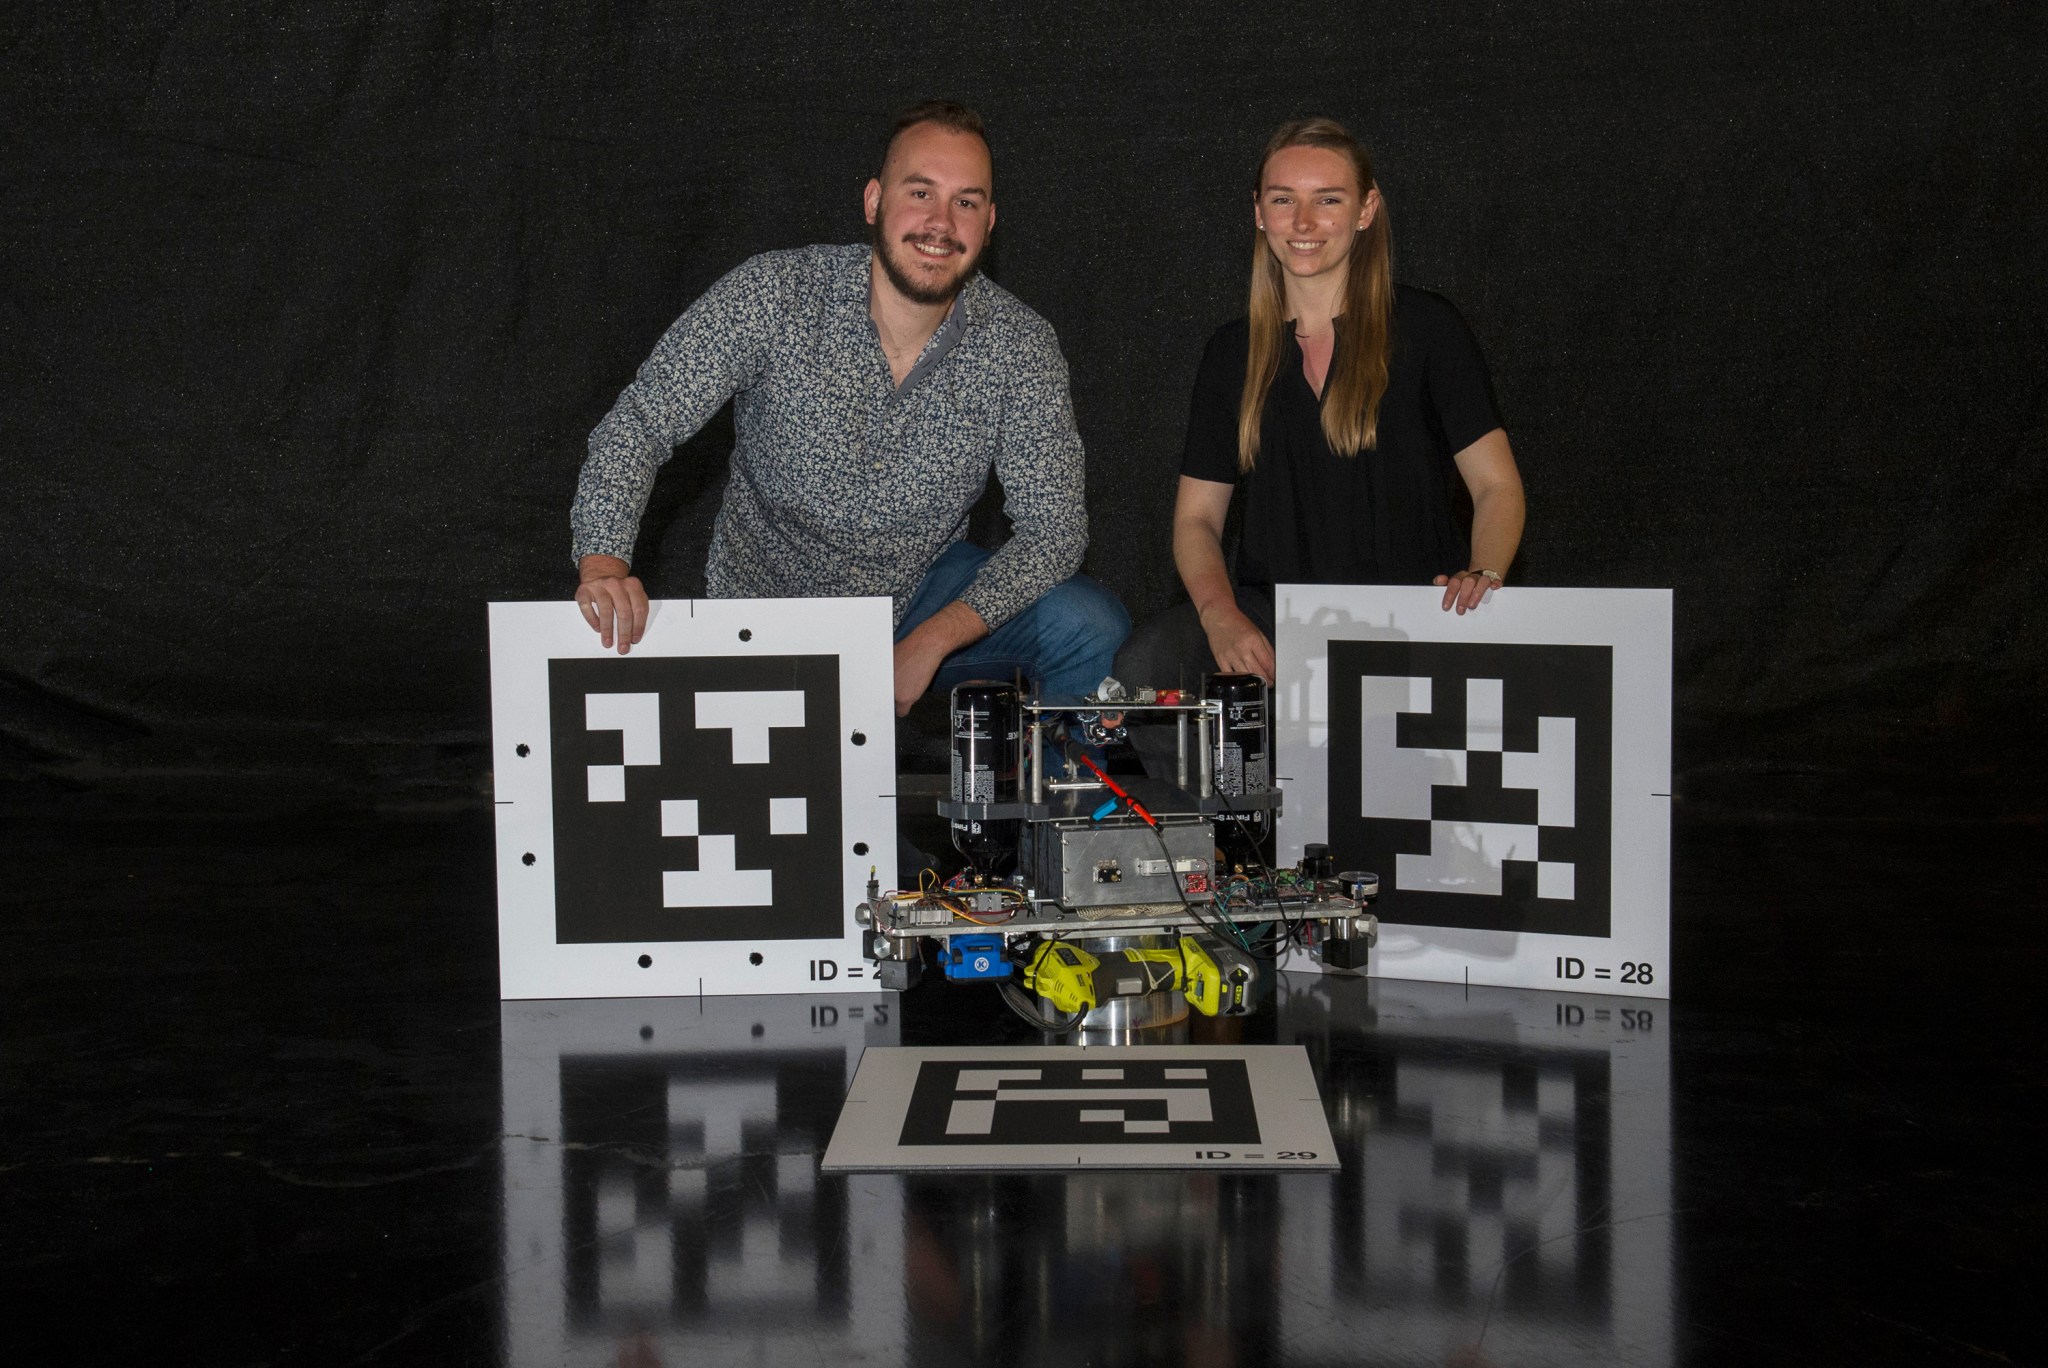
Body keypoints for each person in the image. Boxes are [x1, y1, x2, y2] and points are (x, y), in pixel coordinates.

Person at [571, 100, 1128, 714]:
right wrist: (602, 564)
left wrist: (929, 642)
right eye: (921, 192)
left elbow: (1055, 531)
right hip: (766, 611)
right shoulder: (774, 293)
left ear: (989, 222)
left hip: (918, 602)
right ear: (873, 202)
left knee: (1089, 625)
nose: (941, 222)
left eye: (965, 202)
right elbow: (638, 424)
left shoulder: (1021, 345)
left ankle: (1056, 810)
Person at [1115, 117, 1525, 689]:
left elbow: (1497, 487)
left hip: (1416, 617)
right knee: (1148, 664)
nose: (1304, 222)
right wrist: (1220, 615)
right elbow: (1196, 520)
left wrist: (1483, 573)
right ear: (1259, 211)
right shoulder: (1231, 354)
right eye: (1284, 200)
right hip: (1282, 625)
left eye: (1327, 200)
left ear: (1366, 209)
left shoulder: (1429, 329)